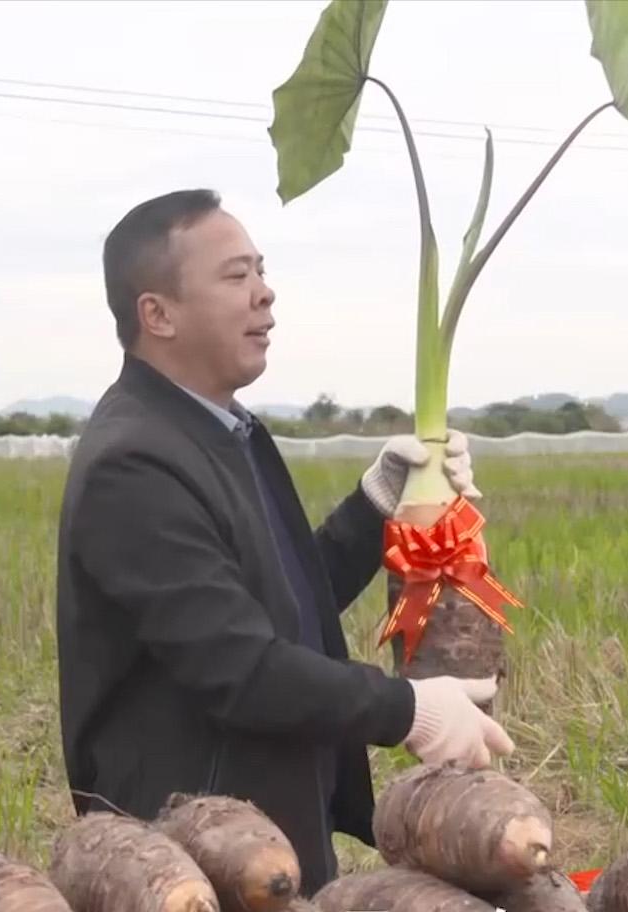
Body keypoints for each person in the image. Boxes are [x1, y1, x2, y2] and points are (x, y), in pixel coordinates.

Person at [55, 189, 514, 894]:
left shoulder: (222, 431)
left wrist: (374, 508)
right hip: (192, 858)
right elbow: (237, 663)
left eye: (262, 272)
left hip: (267, 833)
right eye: (236, 277)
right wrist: (407, 710)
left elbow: (281, 600)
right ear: (158, 314)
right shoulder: (135, 463)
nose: (265, 295)